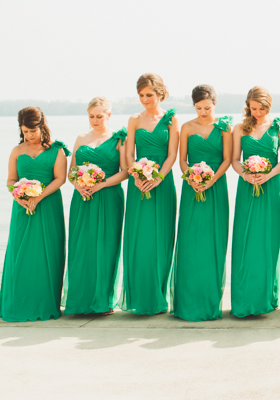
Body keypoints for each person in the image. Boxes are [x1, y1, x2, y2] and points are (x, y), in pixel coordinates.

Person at [0, 107, 69, 322]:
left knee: (47, 253)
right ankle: (18, 301)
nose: (28, 135)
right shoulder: (17, 150)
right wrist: (19, 197)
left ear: (42, 126)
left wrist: (39, 197)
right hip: (22, 208)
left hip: (48, 206)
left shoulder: (57, 150)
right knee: (21, 254)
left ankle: (45, 302)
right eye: (25, 131)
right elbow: (10, 180)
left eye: (32, 131)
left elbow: (60, 178)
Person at [119, 73, 179, 315]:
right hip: (138, 184)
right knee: (139, 240)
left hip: (162, 184)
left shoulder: (171, 119)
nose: (145, 99)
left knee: (160, 240)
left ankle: (158, 297)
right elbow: (129, 153)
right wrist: (136, 174)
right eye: (141, 95)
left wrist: (157, 178)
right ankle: (140, 298)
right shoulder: (134, 119)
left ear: (160, 93)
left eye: (149, 95)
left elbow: (173, 155)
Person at [172, 85, 232, 321]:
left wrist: (211, 180)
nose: (203, 112)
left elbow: (227, 159)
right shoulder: (186, 127)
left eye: (207, 107)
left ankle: (210, 303)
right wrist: (192, 179)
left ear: (215, 104)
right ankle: (186, 304)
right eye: (199, 108)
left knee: (213, 242)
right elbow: (182, 161)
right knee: (190, 241)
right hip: (191, 189)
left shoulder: (225, 127)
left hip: (216, 189)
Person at [64, 97, 127, 315]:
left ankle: (102, 302)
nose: (95, 120)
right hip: (82, 199)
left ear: (109, 115)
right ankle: (79, 301)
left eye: (99, 116)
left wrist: (101, 184)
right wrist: (78, 186)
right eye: (91, 116)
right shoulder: (81, 138)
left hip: (109, 197)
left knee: (105, 247)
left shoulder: (119, 139)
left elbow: (125, 171)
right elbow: (71, 171)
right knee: (81, 247)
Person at [230, 87, 280, 317]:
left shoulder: (279, 128)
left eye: (262, 108)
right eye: (253, 108)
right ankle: (245, 299)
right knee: (246, 242)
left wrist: (268, 174)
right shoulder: (239, 128)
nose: (257, 112)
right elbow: (235, 160)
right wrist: (245, 174)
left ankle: (267, 297)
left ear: (269, 106)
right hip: (247, 189)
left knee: (268, 241)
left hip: (272, 188)